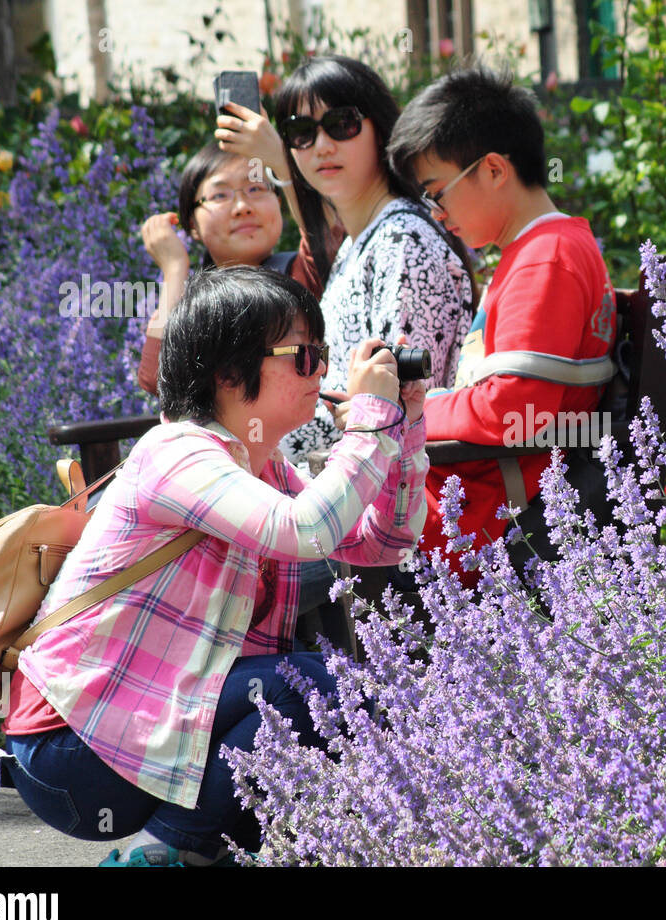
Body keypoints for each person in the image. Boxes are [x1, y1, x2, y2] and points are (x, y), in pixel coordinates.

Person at [0, 267, 427, 866]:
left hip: (148, 736)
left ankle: (193, 853)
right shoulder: (178, 453)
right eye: (303, 356)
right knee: (311, 684)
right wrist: (370, 425)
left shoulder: (265, 464)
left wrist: (402, 430)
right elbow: (306, 529)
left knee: (311, 690)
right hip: (71, 750)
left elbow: (384, 541)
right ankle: (160, 855)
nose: (323, 371)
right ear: (226, 371)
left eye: (322, 354)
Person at [387, 67, 618, 580]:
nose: (436, 214)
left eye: (436, 192)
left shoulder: (545, 260)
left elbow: (512, 413)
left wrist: (402, 414)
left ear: (493, 169)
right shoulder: (541, 250)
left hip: (483, 523)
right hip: (481, 500)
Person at [215, 55, 475, 466]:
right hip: (333, 472)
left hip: (376, 490)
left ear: (379, 128)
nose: (321, 146)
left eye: (341, 124)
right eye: (301, 132)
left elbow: (394, 406)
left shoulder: (403, 241)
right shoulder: (361, 242)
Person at [136, 143, 323, 396]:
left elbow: (321, 227)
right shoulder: (199, 306)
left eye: (256, 188)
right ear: (192, 224)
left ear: (280, 202)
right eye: (220, 195)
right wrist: (175, 269)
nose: (242, 207)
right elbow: (160, 378)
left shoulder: (306, 273)